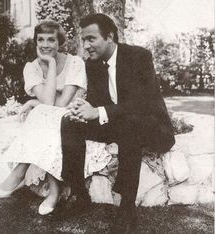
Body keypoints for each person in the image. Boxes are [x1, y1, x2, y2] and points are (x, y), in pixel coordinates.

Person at [61, 13, 175, 233]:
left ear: (110, 36)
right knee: (69, 122)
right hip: (118, 123)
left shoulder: (139, 57)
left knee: (130, 127)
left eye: (91, 39)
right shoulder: (92, 65)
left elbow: (141, 103)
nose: (85, 45)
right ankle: (79, 194)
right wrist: (82, 110)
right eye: (84, 40)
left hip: (150, 126)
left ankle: (126, 207)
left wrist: (99, 111)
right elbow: (97, 102)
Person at [0, 20, 88, 216]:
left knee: (43, 112)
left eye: (51, 40)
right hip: (52, 116)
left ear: (60, 42)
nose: (45, 45)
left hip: (74, 117)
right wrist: (41, 100)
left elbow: (58, 104)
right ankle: (53, 189)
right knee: (44, 114)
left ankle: (21, 173)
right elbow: (50, 102)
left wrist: (36, 100)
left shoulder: (75, 63)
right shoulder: (31, 67)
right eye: (40, 40)